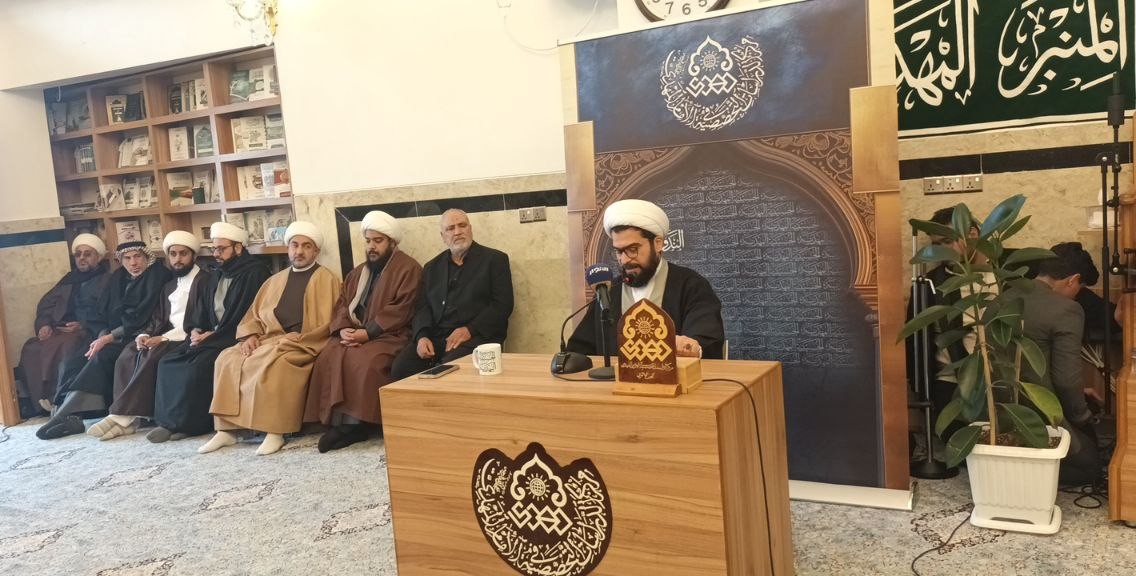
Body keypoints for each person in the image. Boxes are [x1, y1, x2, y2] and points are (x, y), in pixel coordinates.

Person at [200, 221, 340, 456]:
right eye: (294, 245)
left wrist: (297, 339)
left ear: (316, 251)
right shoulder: (275, 280)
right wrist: (250, 336)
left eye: (306, 246)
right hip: (268, 339)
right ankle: (227, 430)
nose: (299, 251)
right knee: (227, 358)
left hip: (301, 343)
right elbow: (253, 315)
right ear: (288, 248)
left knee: (277, 364)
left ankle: (275, 432)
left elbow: (327, 323)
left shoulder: (327, 279)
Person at [304, 211, 422, 452]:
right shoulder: (358, 272)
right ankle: (333, 422)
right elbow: (342, 304)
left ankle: (356, 426)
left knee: (365, 361)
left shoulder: (408, 268)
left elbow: (402, 308)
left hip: (391, 335)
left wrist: (368, 333)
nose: (371, 247)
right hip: (356, 332)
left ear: (392, 242)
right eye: (368, 241)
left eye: (378, 241)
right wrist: (343, 329)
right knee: (329, 354)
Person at [148, 222, 271, 443]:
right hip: (211, 335)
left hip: (234, 336)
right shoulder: (217, 273)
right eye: (214, 249)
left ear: (238, 248)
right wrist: (196, 329)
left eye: (221, 249)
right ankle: (168, 422)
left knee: (197, 366)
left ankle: (192, 425)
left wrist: (213, 335)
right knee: (168, 361)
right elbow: (202, 310)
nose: (216, 254)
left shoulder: (254, 273)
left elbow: (247, 314)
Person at [36, 241, 172, 439]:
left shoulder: (157, 277)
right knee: (74, 361)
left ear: (147, 258)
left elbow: (143, 318)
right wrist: (101, 335)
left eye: (138, 257)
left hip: (142, 335)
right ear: (120, 260)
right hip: (111, 336)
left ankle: (68, 414)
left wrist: (109, 338)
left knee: (101, 358)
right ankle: (61, 411)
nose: (133, 263)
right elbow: (101, 312)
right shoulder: (118, 278)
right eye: (127, 258)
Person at [84, 232, 206, 440]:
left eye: (183, 254)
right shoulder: (171, 284)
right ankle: (131, 421)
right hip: (166, 334)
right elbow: (159, 317)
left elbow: (200, 320)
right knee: (130, 352)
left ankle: (121, 416)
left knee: (153, 354)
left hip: (187, 336)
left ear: (194, 256)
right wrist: (145, 334)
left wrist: (163, 338)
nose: (177, 259)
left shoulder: (204, 281)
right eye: (173, 254)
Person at [567, 199, 724, 359]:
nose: (624, 260)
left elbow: (706, 341)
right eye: (619, 252)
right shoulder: (608, 291)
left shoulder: (691, 285)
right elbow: (579, 349)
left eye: (632, 249)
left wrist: (690, 348)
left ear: (658, 244)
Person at [1009, 244, 1101, 485]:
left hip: (994, 408)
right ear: (1073, 280)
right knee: (1091, 465)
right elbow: (1066, 380)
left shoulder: (1002, 297)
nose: (1077, 294)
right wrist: (1083, 417)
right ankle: (1023, 473)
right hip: (1036, 411)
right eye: (1080, 288)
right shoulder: (1067, 310)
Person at [390, 209, 513, 379]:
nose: (457, 232)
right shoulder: (432, 267)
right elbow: (422, 308)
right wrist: (422, 337)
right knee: (401, 368)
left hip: (477, 337)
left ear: (470, 229)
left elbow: (503, 305)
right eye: (450, 228)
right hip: (436, 337)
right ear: (443, 236)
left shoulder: (494, 260)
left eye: (462, 225)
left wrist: (469, 330)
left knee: (448, 370)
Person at [15, 233, 112, 417]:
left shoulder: (107, 280)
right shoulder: (69, 279)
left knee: (66, 346)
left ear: (98, 257)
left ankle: (56, 400)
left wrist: (82, 325)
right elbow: (46, 304)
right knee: (31, 348)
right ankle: (37, 402)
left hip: (88, 331)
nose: (82, 258)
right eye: (78, 254)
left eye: (87, 254)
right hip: (60, 329)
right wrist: (44, 325)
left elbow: (108, 312)